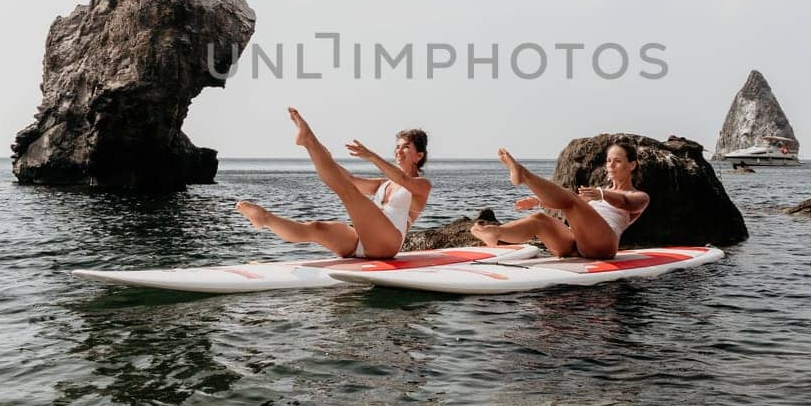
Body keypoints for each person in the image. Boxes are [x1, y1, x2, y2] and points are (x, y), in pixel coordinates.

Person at [235, 107, 431, 259]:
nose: (398, 151)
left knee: (349, 194)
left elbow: (403, 179)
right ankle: (265, 219)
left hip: (387, 244)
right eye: (397, 147)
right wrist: (324, 156)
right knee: (316, 229)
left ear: (419, 155)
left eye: (406, 147)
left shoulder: (422, 185)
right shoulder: (384, 184)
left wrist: (371, 156)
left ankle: (308, 139)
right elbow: (350, 180)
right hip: (362, 240)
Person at [471, 142, 649, 260]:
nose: (610, 165)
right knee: (539, 219)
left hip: (603, 246)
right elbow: (565, 204)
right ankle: (495, 232)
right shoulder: (597, 192)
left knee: (572, 200)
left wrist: (602, 194)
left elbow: (625, 202)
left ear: (632, 165)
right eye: (609, 160)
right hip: (575, 243)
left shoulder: (639, 196)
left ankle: (524, 175)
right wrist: (538, 202)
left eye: (617, 161)